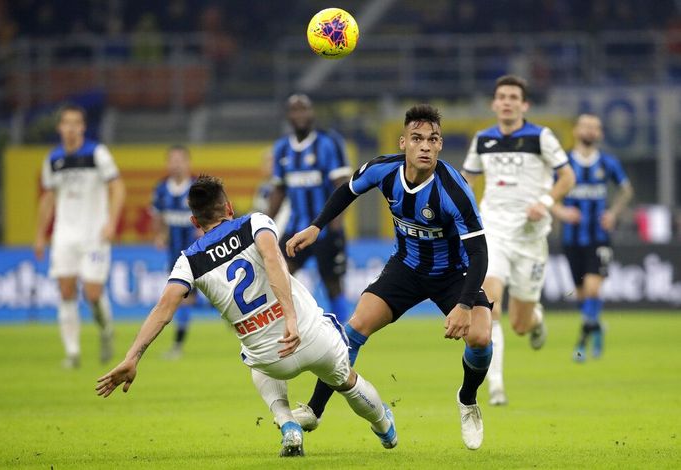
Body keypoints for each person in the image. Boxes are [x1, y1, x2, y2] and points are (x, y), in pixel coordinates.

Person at [96, 175, 397, 457]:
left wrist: (133, 357)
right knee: (346, 380)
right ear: (228, 207)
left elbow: (163, 311)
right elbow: (272, 260)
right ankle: (385, 428)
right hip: (309, 337)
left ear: (194, 221)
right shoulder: (255, 223)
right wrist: (289, 319)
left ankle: (288, 424)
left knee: (252, 357)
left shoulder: (188, 262)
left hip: (270, 359)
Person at [286, 104, 493, 450]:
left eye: (433, 139)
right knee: (353, 328)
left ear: (440, 146)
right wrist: (316, 226)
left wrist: (465, 304)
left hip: (452, 274)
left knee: (481, 339)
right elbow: (346, 191)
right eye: (417, 138)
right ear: (403, 143)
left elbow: (479, 253)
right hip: (406, 268)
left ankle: (468, 400)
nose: (425, 146)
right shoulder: (383, 170)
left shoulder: (454, 190)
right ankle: (314, 409)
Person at [461, 75, 576, 406]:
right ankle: (496, 386)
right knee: (491, 301)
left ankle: (536, 319)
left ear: (524, 104)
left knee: (521, 324)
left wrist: (545, 201)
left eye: (514, 96)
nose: (507, 101)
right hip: (493, 230)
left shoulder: (541, 137)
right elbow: (466, 180)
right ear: (494, 104)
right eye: (502, 96)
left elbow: (567, 176)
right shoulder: (483, 139)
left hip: (530, 237)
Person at [34, 104, 126, 369]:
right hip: (64, 235)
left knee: (93, 294)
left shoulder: (97, 154)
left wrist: (111, 222)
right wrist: (40, 235)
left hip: (94, 234)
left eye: (76, 123)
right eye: (67, 123)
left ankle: (106, 330)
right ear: (60, 128)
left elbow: (118, 188)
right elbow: (48, 199)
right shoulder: (52, 160)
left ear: (83, 127)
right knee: (65, 291)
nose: (71, 128)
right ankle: (72, 353)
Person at [551, 113, 633, 362]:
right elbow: (548, 197)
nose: (590, 131)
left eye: (595, 127)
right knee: (582, 295)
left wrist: (614, 213)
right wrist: (562, 211)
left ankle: (582, 344)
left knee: (593, 288)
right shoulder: (563, 163)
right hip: (572, 239)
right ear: (575, 130)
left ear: (600, 134)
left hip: (599, 238)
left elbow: (627, 190)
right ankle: (596, 327)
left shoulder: (608, 163)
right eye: (585, 126)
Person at [267, 94, 351, 323]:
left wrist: (335, 224)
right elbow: (279, 190)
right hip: (295, 229)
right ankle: (282, 329)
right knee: (279, 276)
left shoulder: (329, 142)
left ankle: (342, 335)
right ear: (288, 116)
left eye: (303, 109)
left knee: (332, 282)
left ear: (312, 113)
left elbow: (343, 184)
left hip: (324, 229)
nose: (299, 115)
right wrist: (264, 223)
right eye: (294, 110)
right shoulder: (282, 148)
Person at [151, 145, 201, 359]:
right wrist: (160, 234)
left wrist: (203, 230)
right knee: (184, 296)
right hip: (175, 254)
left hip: (200, 252)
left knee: (188, 295)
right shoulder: (161, 189)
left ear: (188, 163)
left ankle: (178, 345)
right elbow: (158, 215)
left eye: (180, 160)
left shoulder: (198, 188)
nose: (176, 164)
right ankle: (178, 345)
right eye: (172, 160)